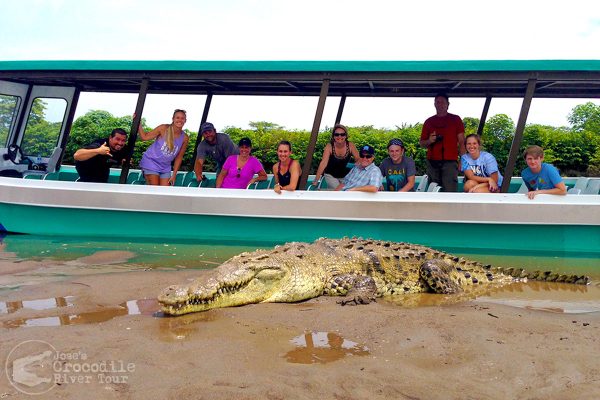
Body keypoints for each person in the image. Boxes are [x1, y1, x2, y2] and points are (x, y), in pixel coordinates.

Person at [419, 93, 466, 192]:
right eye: (438, 102)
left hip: (450, 161)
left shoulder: (456, 119)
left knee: (450, 190)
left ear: (448, 104)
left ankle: (451, 208)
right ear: (434, 104)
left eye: (443, 102)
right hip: (432, 162)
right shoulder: (429, 122)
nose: (440, 105)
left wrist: (463, 159)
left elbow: (462, 141)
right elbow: (422, 143)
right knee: (433, 190)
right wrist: (430, 141)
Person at [138, 109, 189, 186]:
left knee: (164, 192)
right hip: (151, 162)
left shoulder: (185, 137)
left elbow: (179, 157)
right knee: (154, 190)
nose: (180, 120)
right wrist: (138, 123)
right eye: (177, 117)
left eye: (182, 118)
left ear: (185, 120)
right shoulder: (163, 128)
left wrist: (174, 175)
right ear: (173, 119)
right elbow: (144, 137)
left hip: (165, 167)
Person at [312, 124, 360, 190]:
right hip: (330, 175)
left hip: (345, 176)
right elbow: (323, 163)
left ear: (346, 136)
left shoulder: (350, 145)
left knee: (345, 191)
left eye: (342, 134)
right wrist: (316, 180)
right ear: (333, 136)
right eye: (337, 134)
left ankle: (324, 192)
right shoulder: (329, 146)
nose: (339, 136)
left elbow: (358, 159)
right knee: (339, 190)